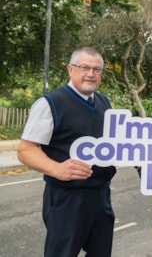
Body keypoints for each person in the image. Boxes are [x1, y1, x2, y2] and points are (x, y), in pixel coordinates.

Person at [17, 47, 116, 257]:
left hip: (100, 196)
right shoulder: (50, 103)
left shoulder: (104, 103)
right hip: (67, 198)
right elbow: (26, 150)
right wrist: (56, 168)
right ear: (70, 70)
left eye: (97, 69)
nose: (91, 73)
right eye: (84, 67)